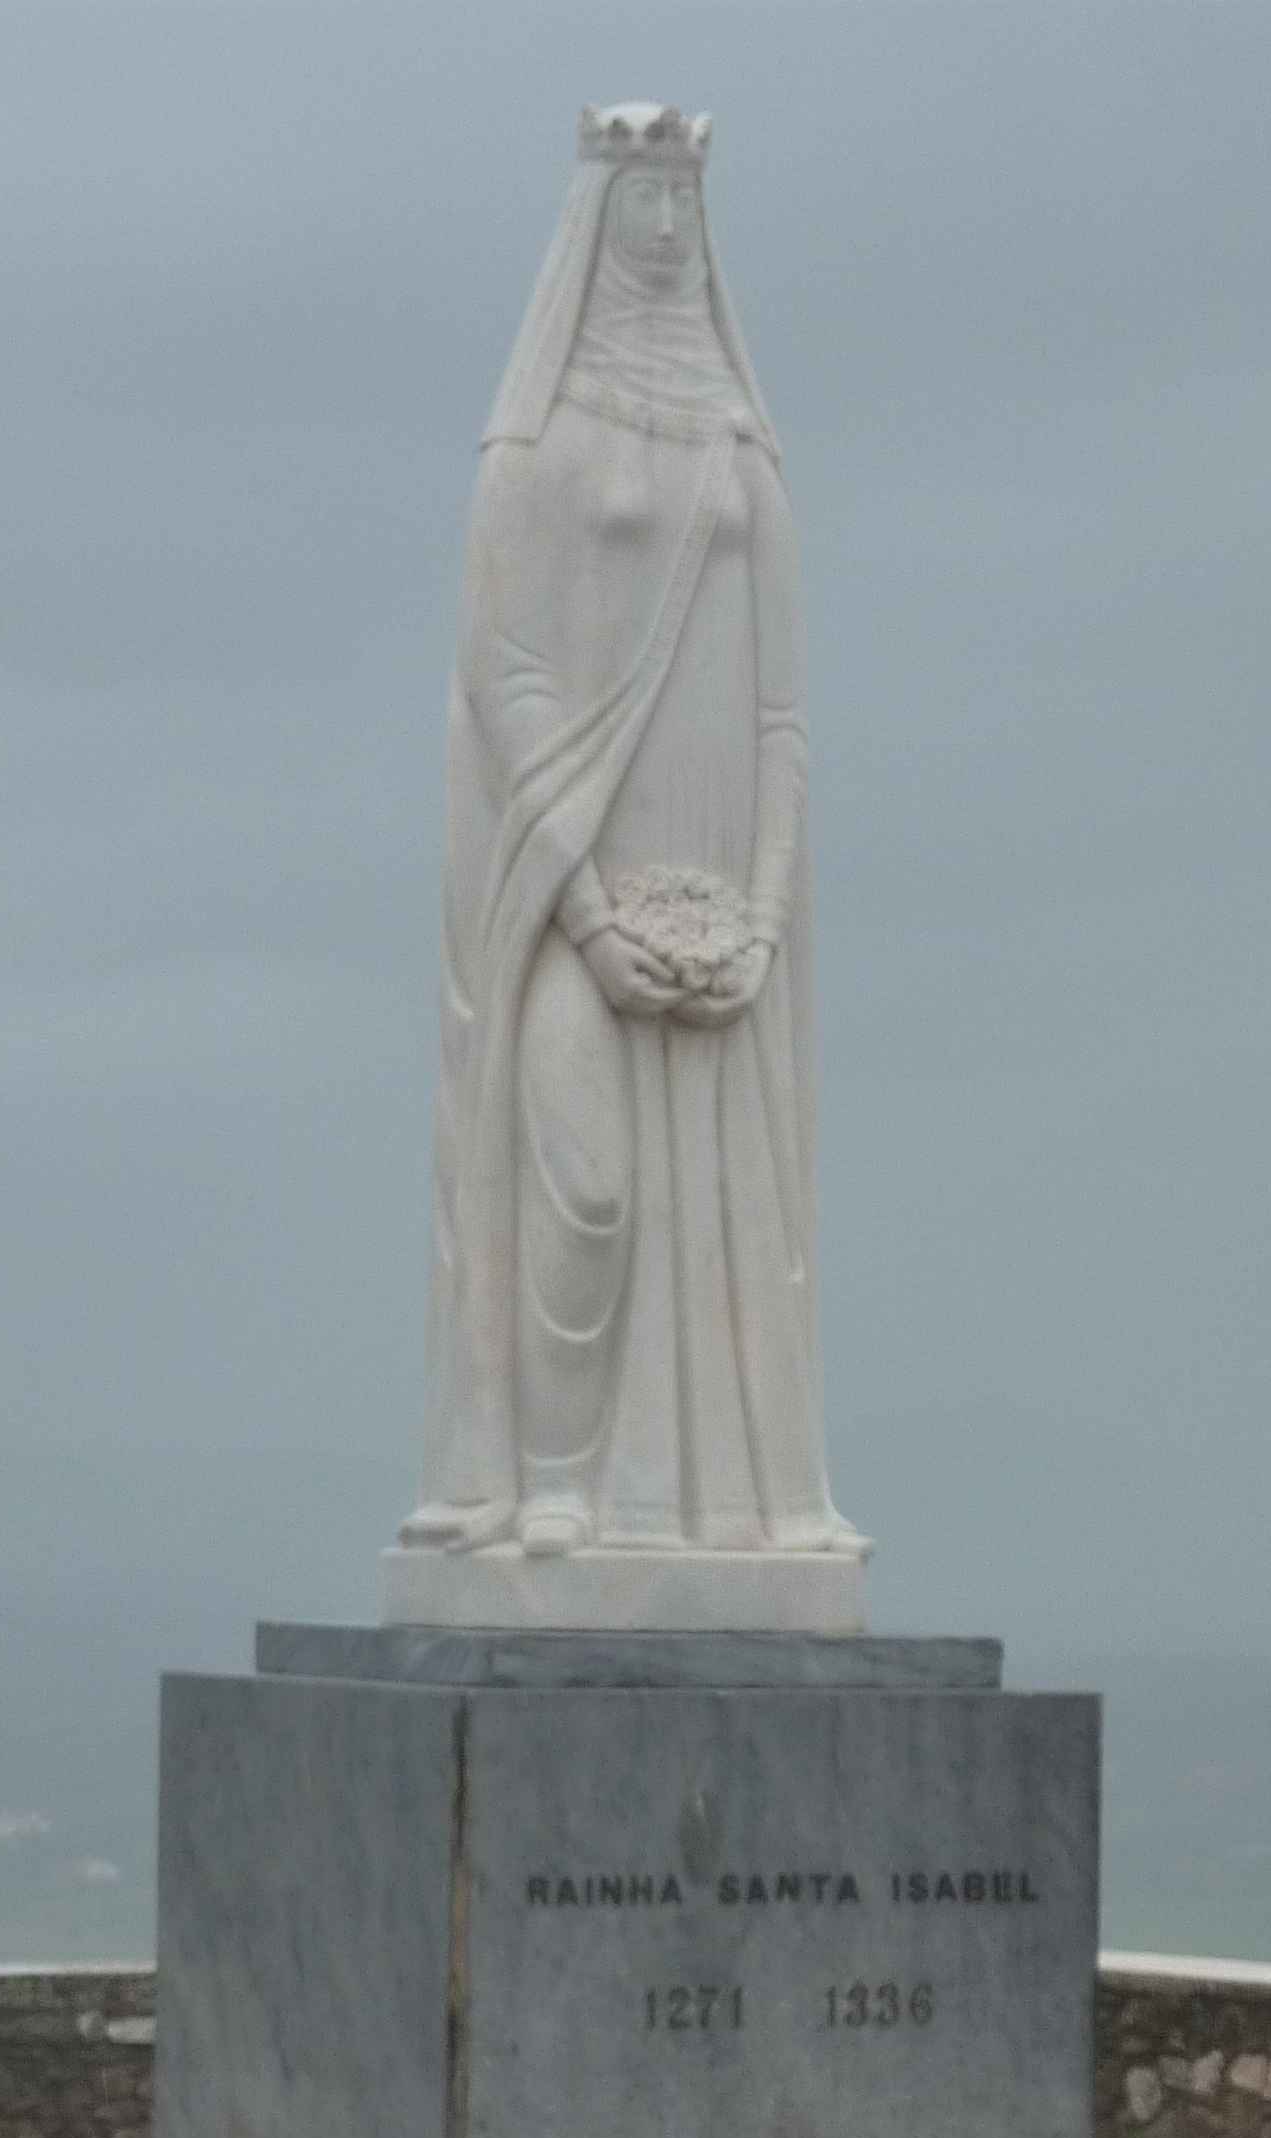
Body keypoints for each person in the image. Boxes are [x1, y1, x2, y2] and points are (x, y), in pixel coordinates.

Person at [400, 105, 864, 1573]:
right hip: (569, 891)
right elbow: (503, 665)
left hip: (726, 897)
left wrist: (767, 919)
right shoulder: (538, 444)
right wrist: (591, 918)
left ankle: (708, 1509)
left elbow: (785, 710)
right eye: (640, 197)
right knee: (582, 1185)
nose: (665, 227)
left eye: (683, 198)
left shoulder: (742, 446)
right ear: (595, 222)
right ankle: (551, 1477)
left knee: (728, 1217)